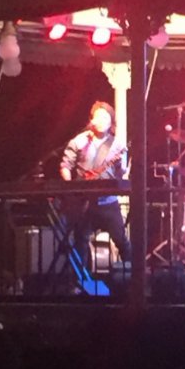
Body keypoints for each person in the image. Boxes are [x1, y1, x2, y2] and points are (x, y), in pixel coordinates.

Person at [59, 100, 131, 270]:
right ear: (92, 119)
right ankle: (80, 280)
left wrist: (121, 168)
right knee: (81, 241)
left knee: (121, 240)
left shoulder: (117, 144)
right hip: (84, 203)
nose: (102, 121)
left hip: (108, 202)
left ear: (111, 122)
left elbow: (120, 174)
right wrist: (70, 190)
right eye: (99, 116)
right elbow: (65, 166)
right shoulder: (79, 141)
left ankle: (131, 276)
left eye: (106, 118)